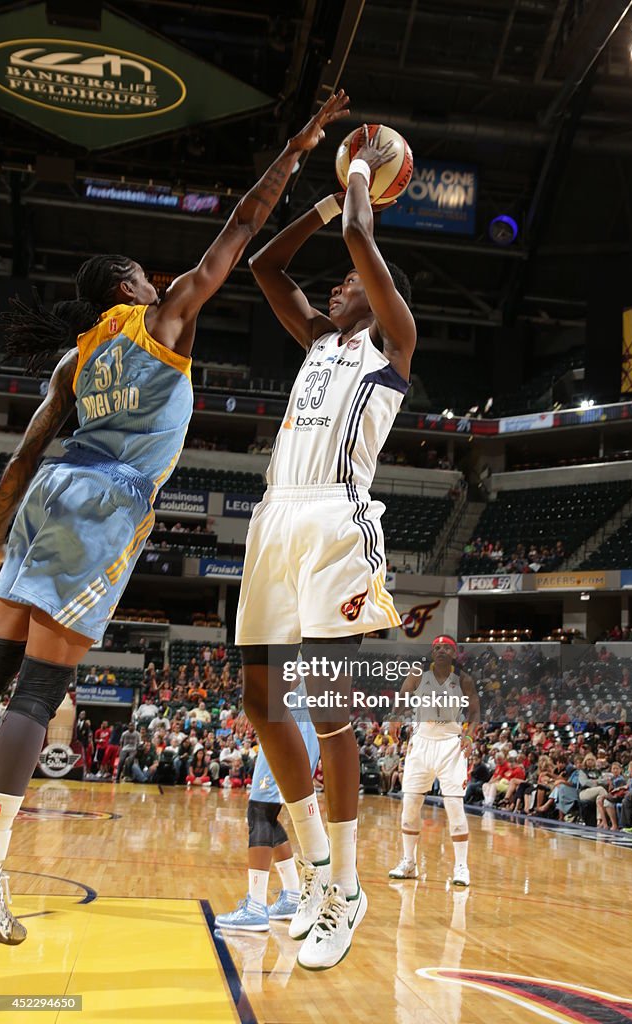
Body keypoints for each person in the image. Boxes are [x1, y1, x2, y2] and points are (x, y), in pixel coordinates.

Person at [0, 91, 349, 946]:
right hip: (103, 504)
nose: (160, 280)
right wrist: (300, 147)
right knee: (41, 690)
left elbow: (20, 460)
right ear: (126, 285)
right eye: (144, 276)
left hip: (42, 501)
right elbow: (241, 222)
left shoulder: (75, 359)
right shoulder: (163, 320)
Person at [238, 123, 417, 970]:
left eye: (354, 283)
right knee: (258, 698)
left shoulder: (391, 347)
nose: (340, 282)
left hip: (337, 521)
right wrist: (322, 195)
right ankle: (312, 870)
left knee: (325, 704)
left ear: (379, 300)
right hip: (276, 518)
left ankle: (347, 885)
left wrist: (357, 173)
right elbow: (264, 267)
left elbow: (356, 234)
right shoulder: (315, 340)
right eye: (340, 284)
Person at [215, 706, 320, 932]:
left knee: (259, 812)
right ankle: (292, 895)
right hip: (304, 722)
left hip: (289, 721)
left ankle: (255, 906)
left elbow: (286, 673)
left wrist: (254, 705)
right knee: (268, 814)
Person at [389, 636, 480, 887]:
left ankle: (461, 866)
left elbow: (475, 712)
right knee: (410, 806)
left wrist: (471, 735)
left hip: (450, 745)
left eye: (446, 647)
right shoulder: (417, 674)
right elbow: (402, 699)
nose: (441, 650)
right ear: (432, 652)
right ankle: (409, 862)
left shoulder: (464, 679)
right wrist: (395, 716)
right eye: (437, 647)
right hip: (421, 744)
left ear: (454, 653)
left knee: (454, 807)